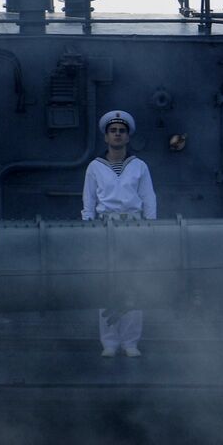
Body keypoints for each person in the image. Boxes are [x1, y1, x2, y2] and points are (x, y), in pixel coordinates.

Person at [82, 109, 156, 357]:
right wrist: (89, 230)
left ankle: (131, 341)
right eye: (112, 131)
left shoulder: (139, 166)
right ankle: (109, 342)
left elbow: (149, 199)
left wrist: (150, 228)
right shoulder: (94, 167)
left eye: (121, 131)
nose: (117, 135)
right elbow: (88, 202)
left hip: (134, 226)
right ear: (106, 137)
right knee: (107, 284)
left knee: (135, 283)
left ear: (128, 137)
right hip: (106, 228)